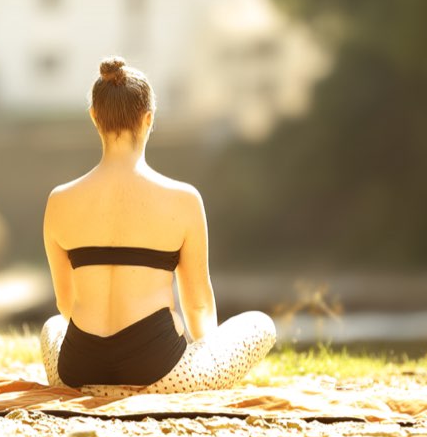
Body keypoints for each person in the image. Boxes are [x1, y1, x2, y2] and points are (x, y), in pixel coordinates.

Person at [40, 57, 276, 397]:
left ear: (94, 117)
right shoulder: (183, 199)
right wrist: (202, 356)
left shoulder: (59, 200)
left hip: (77, 376)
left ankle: (106, 387)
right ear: (149, 119)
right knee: (260, 324)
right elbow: (197, 305)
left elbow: (66, 306)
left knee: (52, 327)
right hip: (163, 378)